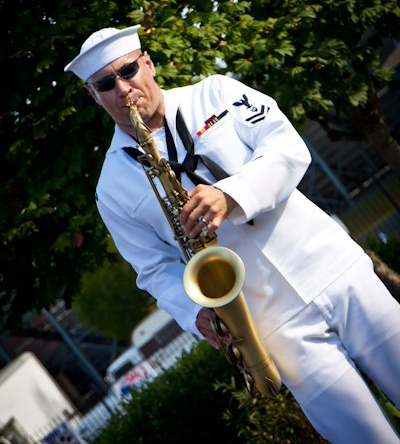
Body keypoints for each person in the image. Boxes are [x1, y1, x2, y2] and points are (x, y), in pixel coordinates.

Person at [65, 25, 400, 443]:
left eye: (129, 70)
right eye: (105, 83)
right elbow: (153, 268)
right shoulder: (111, 188)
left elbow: (287, 147)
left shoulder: (217, 92)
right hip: (270, 323)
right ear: (93, 95)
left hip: (335, 269)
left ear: (148, 63)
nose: (123, 88)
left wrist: (230, 195)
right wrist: (195, 314)